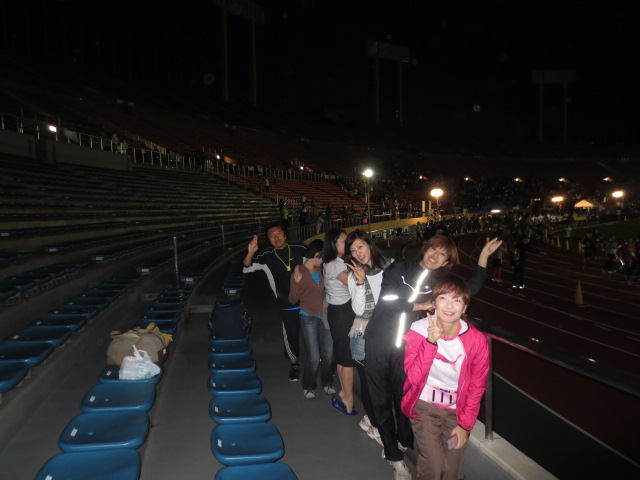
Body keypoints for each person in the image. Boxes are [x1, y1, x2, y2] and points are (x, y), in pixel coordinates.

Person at [363, 234, 501, 479]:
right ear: (425, 248)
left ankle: (402, 442)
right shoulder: (401, 267)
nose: (436, 256)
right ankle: (394, 457)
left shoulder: (439, 283)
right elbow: (387, 299)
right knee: (380, 402)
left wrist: (483, 257)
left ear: (446, 263)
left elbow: (468, 290)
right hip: (379, 343)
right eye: (434, 249)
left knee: (403, 401)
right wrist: (423, 305)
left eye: (443, 255)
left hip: (405, 349)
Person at [402, 275, 489, 480]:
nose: (449, 306)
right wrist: (430, 343)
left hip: (456, 412)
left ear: (465, 307)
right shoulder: (418, 330)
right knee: (434, 468)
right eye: (443, 298)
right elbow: (413, 377)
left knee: (452, 472)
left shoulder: (477, 341)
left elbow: (477, 386)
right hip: (425, 406)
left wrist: (465, 425)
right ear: (434, 303)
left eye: (457, 300)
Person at [342, 229, 392, 447]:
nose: (357, 253)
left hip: (389, 334)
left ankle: (374, 421)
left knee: (387, 385)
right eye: (353, 250)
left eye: (360, 246)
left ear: (370, 245)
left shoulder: (391, 268)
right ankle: (376, 426)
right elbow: (359, 309)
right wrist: (361, 282)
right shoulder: (354, 275)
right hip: (363, 335)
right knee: (370, 386)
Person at [243, 221, 306, 381]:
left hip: (308, 301)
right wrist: (250, 252)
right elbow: (247, 268)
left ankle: (319, 358)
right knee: (290, 334)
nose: (276, 237)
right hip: (286, 302)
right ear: (268, 239)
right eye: (272, 235)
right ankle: (294, 364)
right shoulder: (266, 255)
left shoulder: (300, 248)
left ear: (285, 234)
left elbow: (318, 260)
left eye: (278, 234)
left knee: (313, 332)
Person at [289, 240, 334, 399]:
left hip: (324, 318)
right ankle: (308, 385)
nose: (324, 260)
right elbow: (292, 300)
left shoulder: (319, 269)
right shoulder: (299, 271)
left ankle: (327, 382)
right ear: (317, 254)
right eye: (323, 256)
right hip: (308, 317)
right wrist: (297, 282)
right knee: (314, 357)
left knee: (328, 354)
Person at [322, 229, 354, 409]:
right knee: (347, 358)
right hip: (343, 312)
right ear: (334, 244)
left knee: (342, 356)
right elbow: (354, 286)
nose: (348, 242)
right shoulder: (336, 265)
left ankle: (344, 392)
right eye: (344, 240)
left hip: (338, 311)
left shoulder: (333, 262)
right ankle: (348, 398)